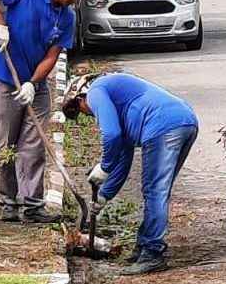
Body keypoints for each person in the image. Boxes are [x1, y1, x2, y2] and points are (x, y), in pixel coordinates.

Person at [0, 0, 89, 223]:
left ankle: (33, 205)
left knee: (34, 145)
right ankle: (8, 202)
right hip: (4, 78)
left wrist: (33, 82)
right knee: (6, 143)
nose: (75, 0)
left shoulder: (67, 18)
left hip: (35, 86)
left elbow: (52, 56)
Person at [62, 73, 199, 274]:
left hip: (163, 125)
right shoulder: (120, 103)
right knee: (158, 190)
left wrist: (104, 166)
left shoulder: (95, 92)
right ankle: (144, 246)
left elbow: (111, 134)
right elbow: (123, 160)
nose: (87, 114)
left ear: (80, 96)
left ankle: (152, 253)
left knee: (155, 191)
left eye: (80, 110)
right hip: (185, 121)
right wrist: (103, 196)